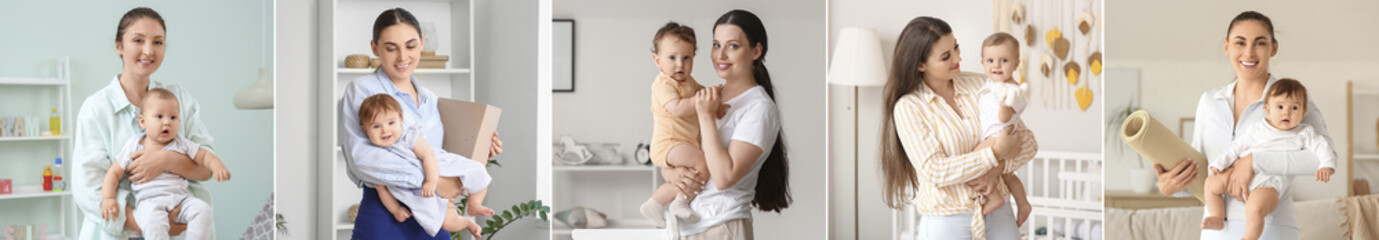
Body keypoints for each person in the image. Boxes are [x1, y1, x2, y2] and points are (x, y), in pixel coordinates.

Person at [1155, 11, 1335, 240]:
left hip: (1272, 229)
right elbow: (1202, 168)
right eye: (1240, 42)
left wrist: (1253, 162)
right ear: (1226, 46)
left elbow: (1322, 158)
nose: (1249, 52)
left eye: (1260, 43)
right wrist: (1172, 186)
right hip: (1215, 231)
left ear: (1274, 48)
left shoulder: (1291, 102)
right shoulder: (1209, 102)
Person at [879, 16, 1037, 240]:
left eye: (956, 47)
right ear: (920, 64)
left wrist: (995, 167)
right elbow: (936, 171)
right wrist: (993, 154)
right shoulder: (909, 107)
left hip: (999, 213)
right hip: (947, 221)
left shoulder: (981, 85)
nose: (958, 58)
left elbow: (1028, 143)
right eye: (946, 57)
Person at [74, 7, 218, 239]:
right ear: (119, 46)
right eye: (138, 40)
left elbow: (206, 168)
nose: (148, 50)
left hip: (184, 226)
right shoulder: (96, 109)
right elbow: (88, 190)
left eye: (158, 42)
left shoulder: (179, 99)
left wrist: (166, 160)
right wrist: (152, 224)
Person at [100, 88, 229, 240]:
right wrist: (108, 199)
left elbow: (204, 156)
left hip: (181, 199)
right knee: (153, 224)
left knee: (203, 210)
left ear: (179, 122)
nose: (167, 122)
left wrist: (217, 166)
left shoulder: (180, 143)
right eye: (159, 116)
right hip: (149, 202)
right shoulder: (133, 145)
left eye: (173, 117)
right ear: (142, 121)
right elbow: (114, 173)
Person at [641, 21, 715, 227]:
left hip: (681, 144)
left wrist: (714, 97)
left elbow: (702, 92)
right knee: (703, 164)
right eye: (672, 58)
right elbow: (678, 108)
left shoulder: (688, 81)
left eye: (686, 57)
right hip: (669, 143)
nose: (680, 64)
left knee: (685, 177)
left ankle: (655, 203)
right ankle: (680, 202)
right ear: (658, 61)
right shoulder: (663, 84)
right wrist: (702, 103)